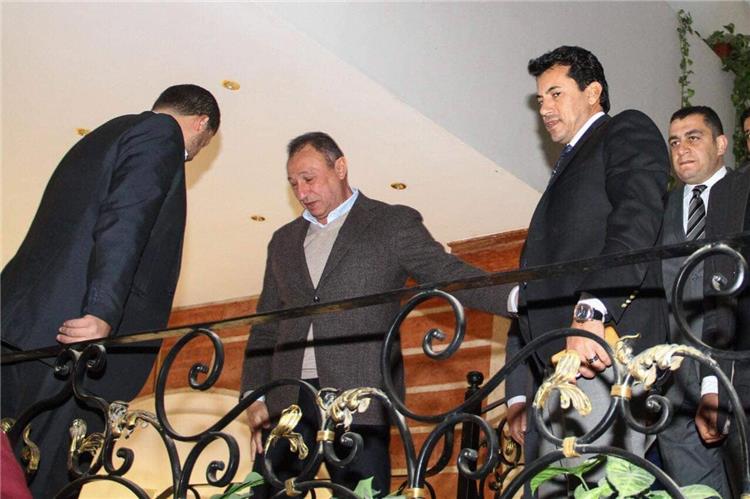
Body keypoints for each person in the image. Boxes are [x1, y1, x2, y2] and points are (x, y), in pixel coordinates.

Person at [241, 132, 511, 497]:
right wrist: (255, 396)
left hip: (360, 399)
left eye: (309, 178)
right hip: (287, 401)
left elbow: (446, 272)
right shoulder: (282, 241)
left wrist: (515, 298)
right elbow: (265, 326)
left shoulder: (390, 223)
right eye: (293, 184)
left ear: (340, 167)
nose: (302, 192)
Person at [1, 84, 220, 497]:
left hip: (23, 327)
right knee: (48, 478)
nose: (192, 156)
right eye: (201, 146)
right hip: (70, 343)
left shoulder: (103, 136)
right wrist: (102, 309)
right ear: (200, 124)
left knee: (8, 467)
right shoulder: (161, 134)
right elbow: (125, 220)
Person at [503, 46, 670, 495]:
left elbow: (637, 219)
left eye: (556, 93)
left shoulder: (624, 130)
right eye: (540, 99)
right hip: (562, 366)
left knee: (597, 485)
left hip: (604, 354)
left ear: (593, 92)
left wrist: (593, 311)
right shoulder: (570, 162)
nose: (545, 108)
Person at [658, 105, 750, 498]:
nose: (682, 149)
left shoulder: (743, 195)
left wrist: (717, 378)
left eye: (693, 138)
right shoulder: (660, 209)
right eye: (674, 142)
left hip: (737, 376)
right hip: (676, 385)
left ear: (722, 144)